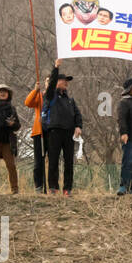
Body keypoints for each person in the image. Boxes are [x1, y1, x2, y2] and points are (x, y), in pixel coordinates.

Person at [41, 59, 83, 196]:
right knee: (53, 160)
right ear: (57, 82)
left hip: (69, 133)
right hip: (54, 131)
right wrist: (56, 68)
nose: (66, 82)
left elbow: (78, 115)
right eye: (63, 80)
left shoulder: (70, 99)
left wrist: (78, 126)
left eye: (67, 81)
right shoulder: (51, 95)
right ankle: (53, 187)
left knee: (69, 162)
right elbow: (51, 83)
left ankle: (67, 189)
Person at [24, 78, 47, 193]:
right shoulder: (40, 96)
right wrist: (35, 90)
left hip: (52, 132)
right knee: (38, 161)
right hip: (39, 132)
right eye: (47, 81)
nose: (49, 83)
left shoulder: (56, 97)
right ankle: (38, 187)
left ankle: (52, 187)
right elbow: (28, 103)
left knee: (52, 161)